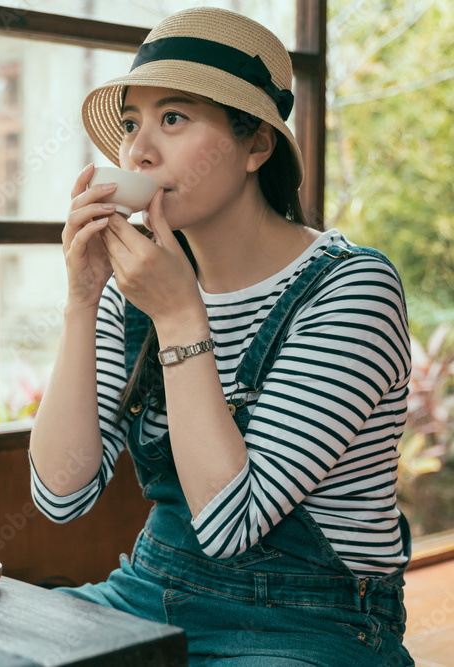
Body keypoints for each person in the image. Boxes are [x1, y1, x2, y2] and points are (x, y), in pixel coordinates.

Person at [29, 8, 414, 666]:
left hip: (310, 624)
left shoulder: (353, 291)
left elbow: (232, 523)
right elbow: (61, 494)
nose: (138, 151)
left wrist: (181, 317)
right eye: (131, 124)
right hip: (150, 592)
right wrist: (82, 298)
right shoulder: (144, 289)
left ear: (256, 146)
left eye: (173, 118)